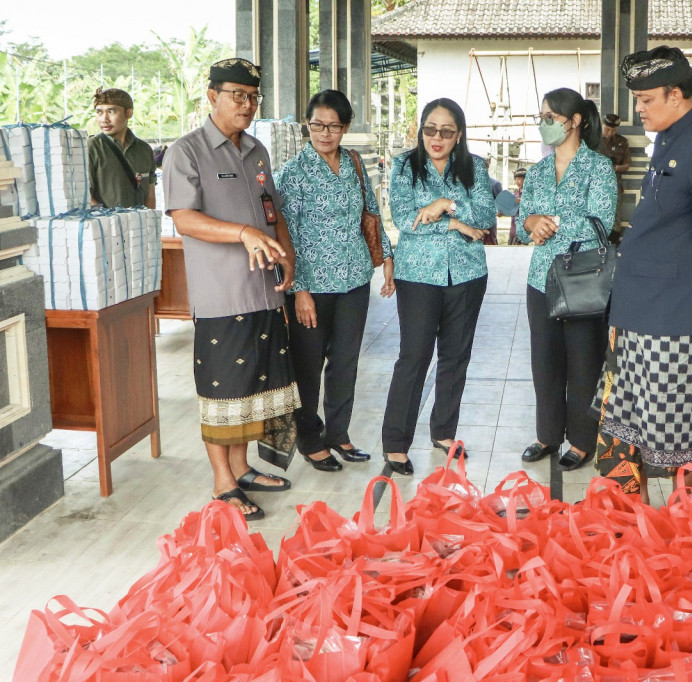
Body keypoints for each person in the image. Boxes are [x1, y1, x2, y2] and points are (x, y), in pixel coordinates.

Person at [592, 47, 692, 503]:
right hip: (639, 311)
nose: (638, 109)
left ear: (676, 95)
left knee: (670, 432)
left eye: (646, 99)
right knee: (622, 420)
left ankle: (679, 536)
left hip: (674, 320)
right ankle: (622, 522)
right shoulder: (673, 138)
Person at [163, 58, 298, 520]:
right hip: (223, 295)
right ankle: (223, 483)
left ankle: (242, 469)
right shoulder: (187, 151)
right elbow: (184, 218)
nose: (247, 104)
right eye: (237, 95)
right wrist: (242, 233)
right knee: (223, 391)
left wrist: (288, 256)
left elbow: (272, 212)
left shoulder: (257, 150)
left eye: (253, 96)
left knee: (254, 386)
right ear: (212, 96)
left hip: (264, 290)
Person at [274, 89, 395, 473]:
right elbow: (286, 235)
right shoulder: (292, 173)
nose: (324, 133)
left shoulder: (355, 163)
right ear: (307, 126)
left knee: (345, 363)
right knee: (308, 365)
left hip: (354, 279)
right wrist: (300, 291)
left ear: (345, 128)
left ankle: (338, 434)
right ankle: (310, 438)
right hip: (313, 286)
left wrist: (387, 255)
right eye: (317, 125)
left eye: (333, 126)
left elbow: (371, 211)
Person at [381, 98, 496, 475]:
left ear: (458, 135)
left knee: (455, 356)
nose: (437, 137)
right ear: (421, 129)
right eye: (430, 129)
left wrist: (447, 205)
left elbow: (485, 217)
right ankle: (396, 443)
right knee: (413, 357)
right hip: (418, 276)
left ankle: (444, 432)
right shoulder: (403, 166)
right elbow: (403, 218)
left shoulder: (475, 167)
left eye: (447, 131)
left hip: (466, 275)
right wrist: (454, 224)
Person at [515, 88, 617, 471]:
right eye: (540, 117)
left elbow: (602, 221)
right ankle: (547, 435)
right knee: (545, 362)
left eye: (551, 118)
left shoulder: (598, 167)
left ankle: (580, 440)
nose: (544, 124)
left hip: (582, 279)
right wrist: (530, 223)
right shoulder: (539, 170)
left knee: (583, 363)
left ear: (574, 121)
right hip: (541, 278)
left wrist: (550, 223)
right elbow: (525, 221)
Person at [88, 88, 156, 209]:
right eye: (99, 112)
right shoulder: (91, 148)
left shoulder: (144, 150)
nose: (104, 119)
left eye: (111, 111)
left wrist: (150, 223)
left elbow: (150, 193)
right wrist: (109, 222)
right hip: (106, 224)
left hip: (139, 224)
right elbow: (86, 195)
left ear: (128, 113)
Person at [598, 114, 632, 243]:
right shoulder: (592, 141)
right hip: (596, 187)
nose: (610, 132)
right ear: (601, 125)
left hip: (614, 186)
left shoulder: (621, 142)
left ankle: (613, 248)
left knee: (615, 220)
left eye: (613, 130)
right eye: (607, 129)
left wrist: (615, 168)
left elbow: (627, 165)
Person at [507, 168, 527, 245]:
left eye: (519, 179)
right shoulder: (515, 193)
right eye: (516, 179)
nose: (517, 182)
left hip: (523, 229)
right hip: (513, 228)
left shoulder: (529, 193)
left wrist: (521, 201)